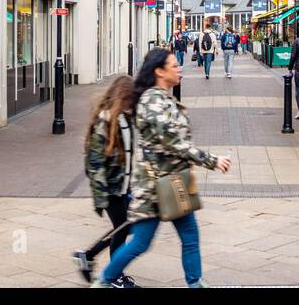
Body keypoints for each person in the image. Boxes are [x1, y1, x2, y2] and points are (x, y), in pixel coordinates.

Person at [92, 48, 231, 287]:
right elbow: (173, 142)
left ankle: (195, 282)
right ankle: (104, 280)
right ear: (159, 71)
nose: (179, 69)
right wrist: (211, 160)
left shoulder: (163, 98)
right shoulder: (151, 102)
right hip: (156, 187)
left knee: (189, 237)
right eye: (174, 65)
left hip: (173, 182)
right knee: (140, 243)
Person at [75, 75, 139, 287]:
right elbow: (94, 164)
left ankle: (89, 255)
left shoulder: (124, 118)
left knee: (125, 227)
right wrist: (100, 198)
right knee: (122, 228)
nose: (132, 103)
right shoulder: (105, 120)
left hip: (122, 187)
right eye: (130, 99)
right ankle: (114, 276)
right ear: (122, 97)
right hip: (110, 189)